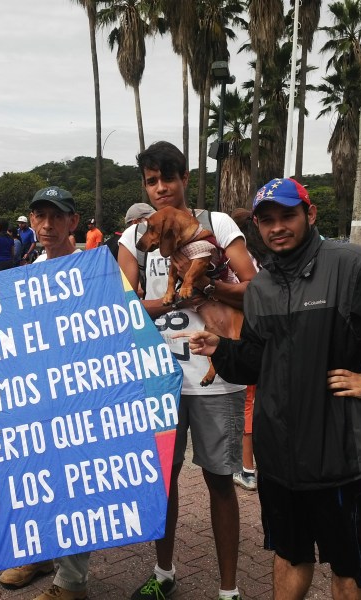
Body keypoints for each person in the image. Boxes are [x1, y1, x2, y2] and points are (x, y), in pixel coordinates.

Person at [184, 177, 361, 600]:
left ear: (309, 214)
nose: (277, 227)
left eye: (287, 215)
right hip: (279, 460)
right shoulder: (262, 288)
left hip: (339, 455)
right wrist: (223, 349)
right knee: (289, 556)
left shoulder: (351, 266)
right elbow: (256, 359)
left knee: (348, 568)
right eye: (266, 220)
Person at [118, 141, 257, 600]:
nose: (161, 188)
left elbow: (256, 288)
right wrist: (176, 300)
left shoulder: (216, 224)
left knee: (220, 481)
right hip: (157, 378)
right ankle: (164, 572)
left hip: (215, 373)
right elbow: (123, 305)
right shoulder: (134, 237)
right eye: (152, 181)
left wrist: (212, 285)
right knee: (163, 478)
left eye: (168, 178)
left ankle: (229, 589)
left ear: (184, 179)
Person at [0, 185, 86, 600]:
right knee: (33, 478)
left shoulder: (94, 270)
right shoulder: (27, 272)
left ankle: (71, 581)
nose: (47, 225)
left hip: (80, 396)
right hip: (34, 397)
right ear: (31, 221)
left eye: (57, 216)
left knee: (74, 485)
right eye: (40, 216)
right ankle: (37, 554)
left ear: (73, 221)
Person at [229, 208, 270, 492]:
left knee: (247, 404)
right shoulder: (269, 256)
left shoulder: (236, 260)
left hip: (243, 335)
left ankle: (247, 468)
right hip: (269, 337)